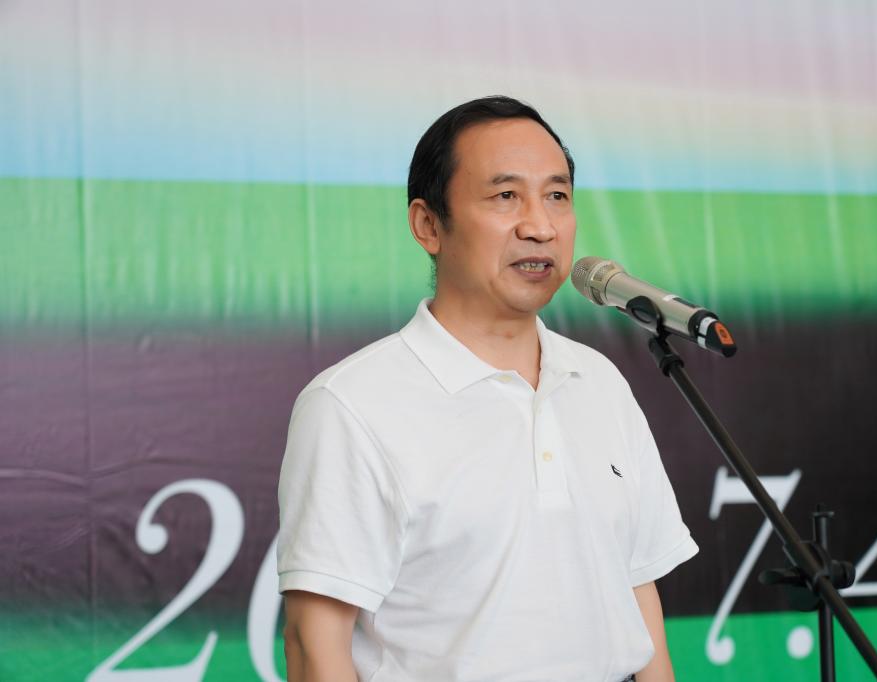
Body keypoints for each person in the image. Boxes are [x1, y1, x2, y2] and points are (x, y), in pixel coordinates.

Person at [277, 96, 699, 682]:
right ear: (428, 225)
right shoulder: (350, 405)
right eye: (505, 196)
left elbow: (637, 591)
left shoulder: (598, 380)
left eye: (557, 196)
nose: (540, 226)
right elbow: (313, 643)